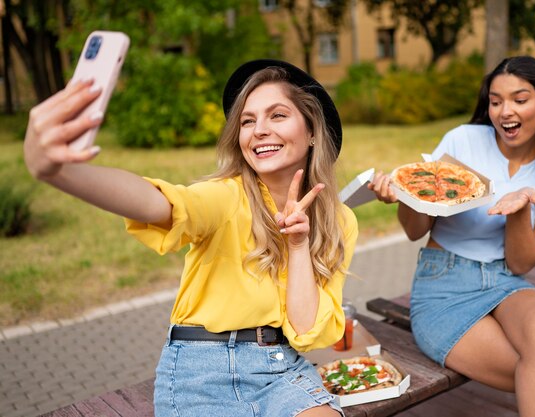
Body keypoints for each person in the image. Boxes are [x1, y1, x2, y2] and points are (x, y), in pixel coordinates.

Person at [23, 59, 357, 417]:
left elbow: (308, 332)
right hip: (202, 371)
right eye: (247, 121)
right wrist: (62, 172)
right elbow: (157, 203)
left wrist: (297, 245)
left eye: (277, 115)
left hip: (281, 369)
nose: (259, 129)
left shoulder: (339, 220)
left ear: (311, 132)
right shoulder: (225, 196)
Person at [368, 56, 535, 416]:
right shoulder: (463, 141)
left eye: (520, 100)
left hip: (505, 282)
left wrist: (519, 210)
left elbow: (520, 262)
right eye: (495, 101)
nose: (505, 112)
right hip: (443, 286)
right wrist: (406, 195)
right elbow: (415, 230)